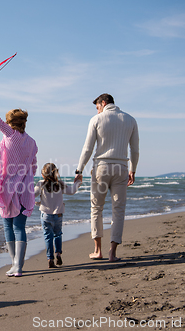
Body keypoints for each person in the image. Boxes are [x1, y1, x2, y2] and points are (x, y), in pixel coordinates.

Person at [74, 93, 139, 262]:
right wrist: (133, 169)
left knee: (97, 208)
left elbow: (87, 148)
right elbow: (135, 150)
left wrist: (79, 170)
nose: (97, 111)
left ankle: (98, 251)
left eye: (97, 107)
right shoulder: (131, 120)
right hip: (122, 168)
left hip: (101, 168)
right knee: (118, 210)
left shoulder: (96, 120)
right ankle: (113, 252)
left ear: (103, 103)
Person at [0, 86, 38, 277]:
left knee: (9, 226)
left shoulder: (9, 134)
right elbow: (33, 167)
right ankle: (18, 266)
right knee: (19, 227)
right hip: (25, 188)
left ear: (10, 123)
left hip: (7, 187)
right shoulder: (32, 142)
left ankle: (15, 264)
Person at [35, 163, 81, 268]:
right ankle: (58, 254)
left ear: (43, 174)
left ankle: (50, 259)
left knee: (48, 237)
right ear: (56, 173)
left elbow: (32, 194)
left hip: (46, 215)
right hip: (58, 215)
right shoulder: (59, 184)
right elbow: (72, 191)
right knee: (58, 234)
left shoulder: (40, 184)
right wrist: (78, 182)